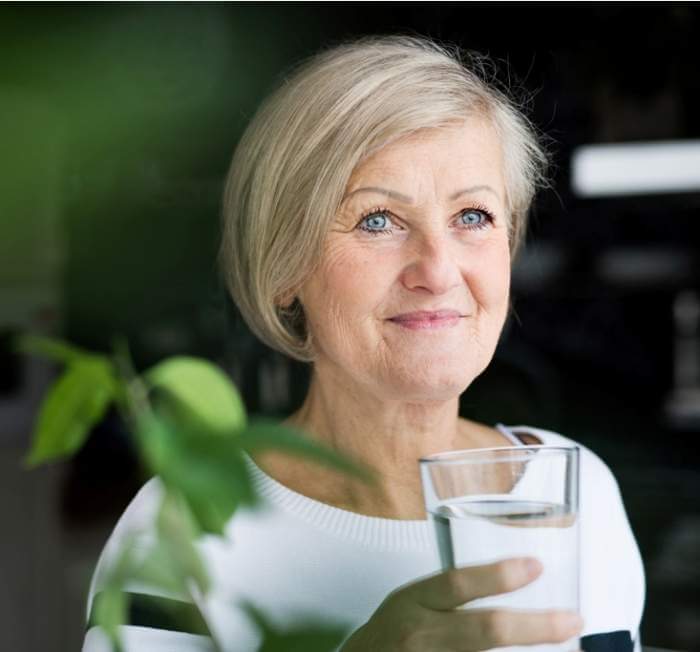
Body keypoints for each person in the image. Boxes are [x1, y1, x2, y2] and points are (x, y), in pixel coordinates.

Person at [82, 35, 645, 652]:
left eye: (473, 217)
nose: (437, 270)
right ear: (284, 269)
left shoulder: (575, 492)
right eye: (378, 220)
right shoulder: (181, 527)